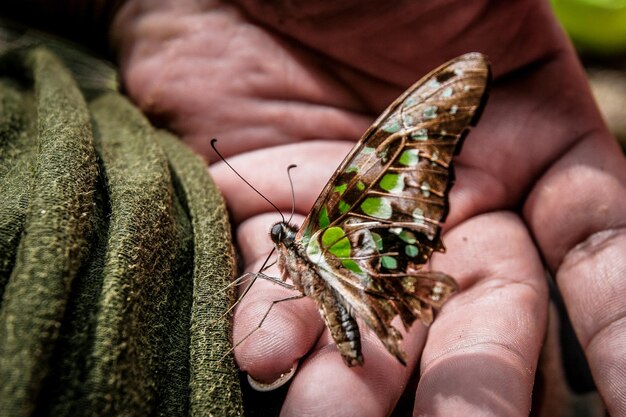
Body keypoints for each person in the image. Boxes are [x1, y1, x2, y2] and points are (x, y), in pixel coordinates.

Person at [9, 0, 626, 415]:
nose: (285, 238)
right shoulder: (311, 243)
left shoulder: (321, 232)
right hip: (362, 286)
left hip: (366, 284)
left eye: (285, 234)